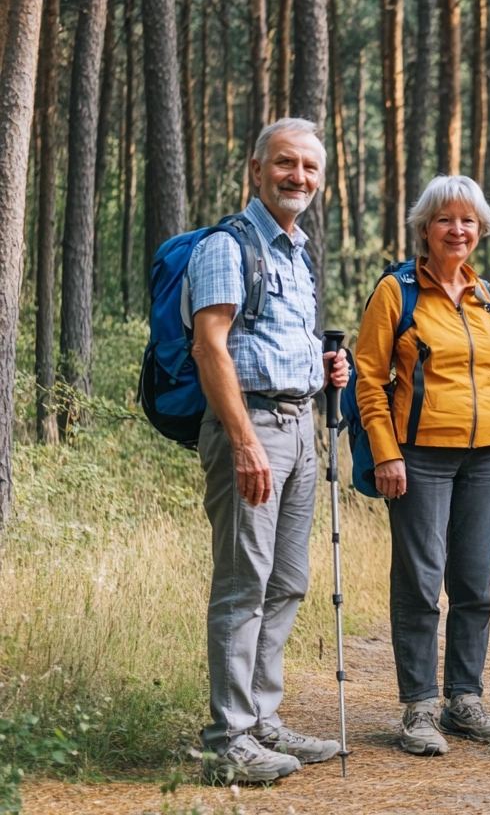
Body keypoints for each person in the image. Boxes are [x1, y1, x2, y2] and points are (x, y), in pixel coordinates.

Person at [191, 118, 349, 783]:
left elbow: (274, 340)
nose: (299, 178)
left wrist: (323, 366)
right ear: (256, 168)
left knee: (287, 582)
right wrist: (245, 441)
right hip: (251, 432)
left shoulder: (294, 250)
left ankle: (262, 720)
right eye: (286, 164)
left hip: (299, 428)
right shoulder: (228, 246)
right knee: (243, 585)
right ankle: (227, 740)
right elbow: (211, 346)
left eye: (310, 168)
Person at [354, 175, 490, 756]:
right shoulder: (395, 291)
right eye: (446, 220)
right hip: (418, 458)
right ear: (424, 228)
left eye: (469, 221)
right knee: (421, 583)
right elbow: (369, 380)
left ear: (481, 230)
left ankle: (465, 702)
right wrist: (386, 452)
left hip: (484, 457)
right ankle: (419, 706)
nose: (458, 230)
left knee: (473, 584)